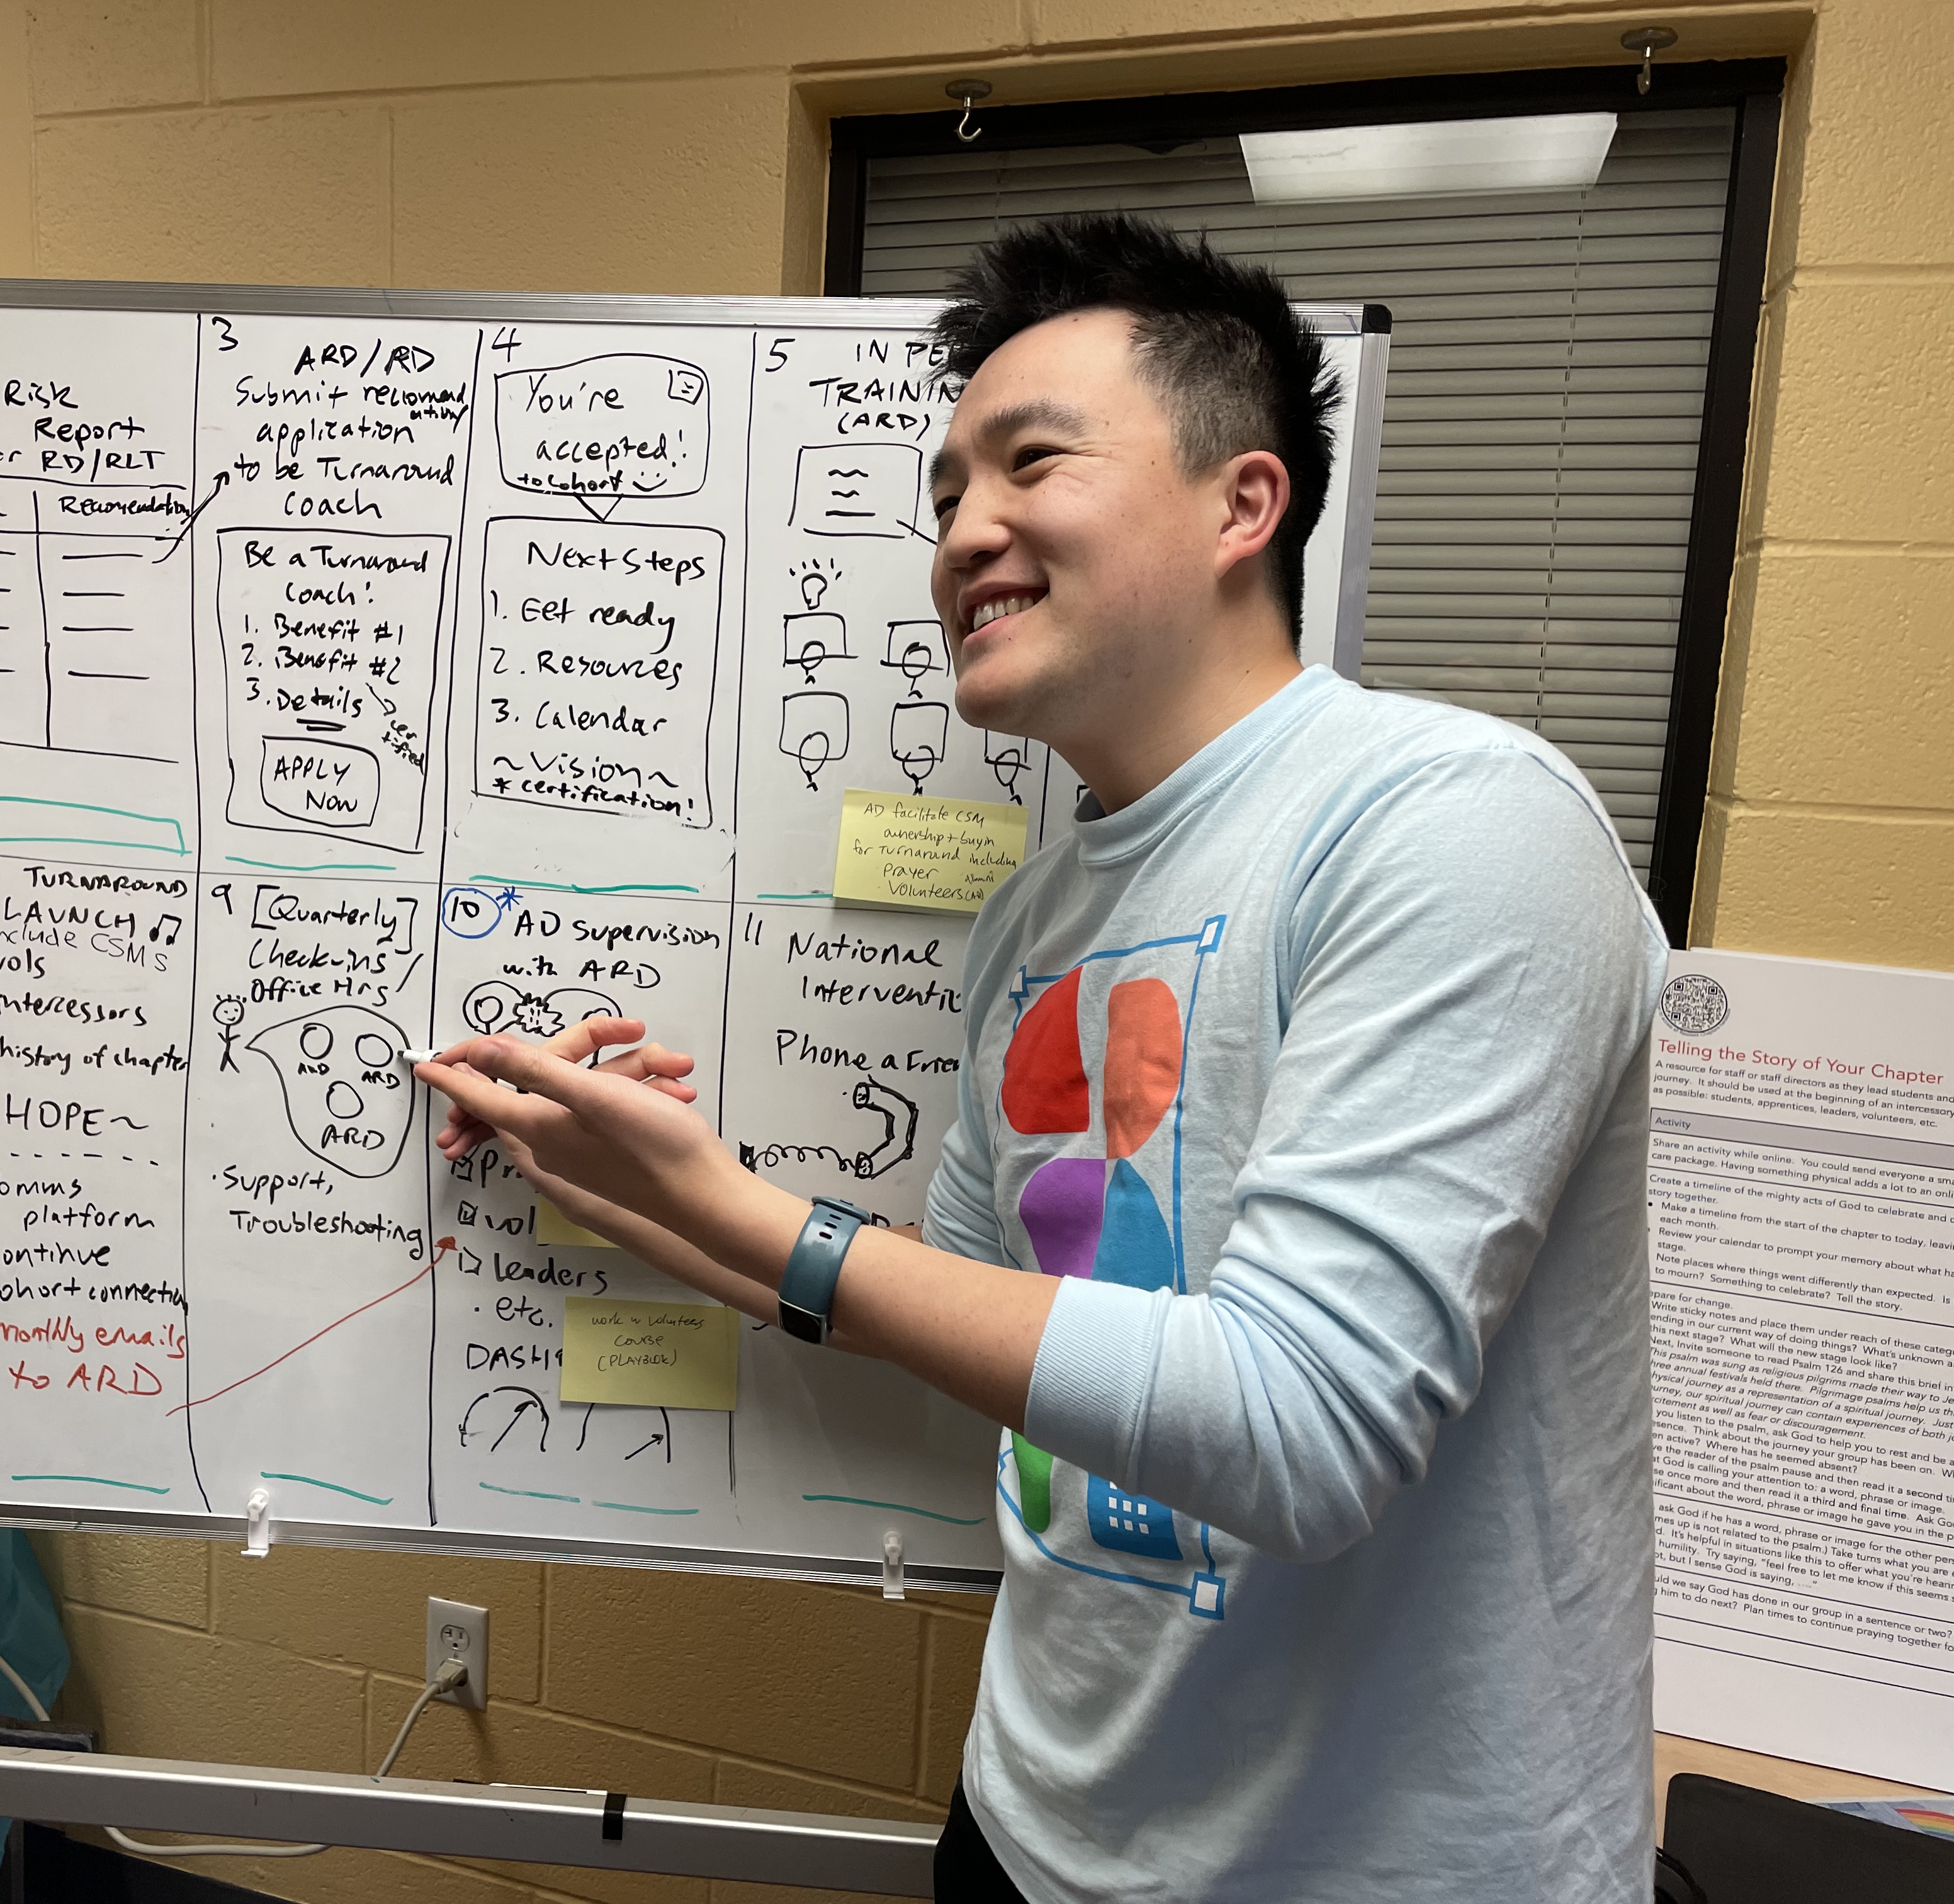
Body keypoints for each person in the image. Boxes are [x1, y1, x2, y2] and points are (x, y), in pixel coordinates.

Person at [418, 213, 1666, 1903]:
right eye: (944, 494)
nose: (964, 534)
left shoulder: (1456, 830)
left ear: (1245, 502)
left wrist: (761, 1220)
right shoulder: (1036, 916)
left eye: (1031, 465)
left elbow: (1305, 1427)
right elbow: (968, 1309)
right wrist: (621, 1185)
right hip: (1031, 1829)